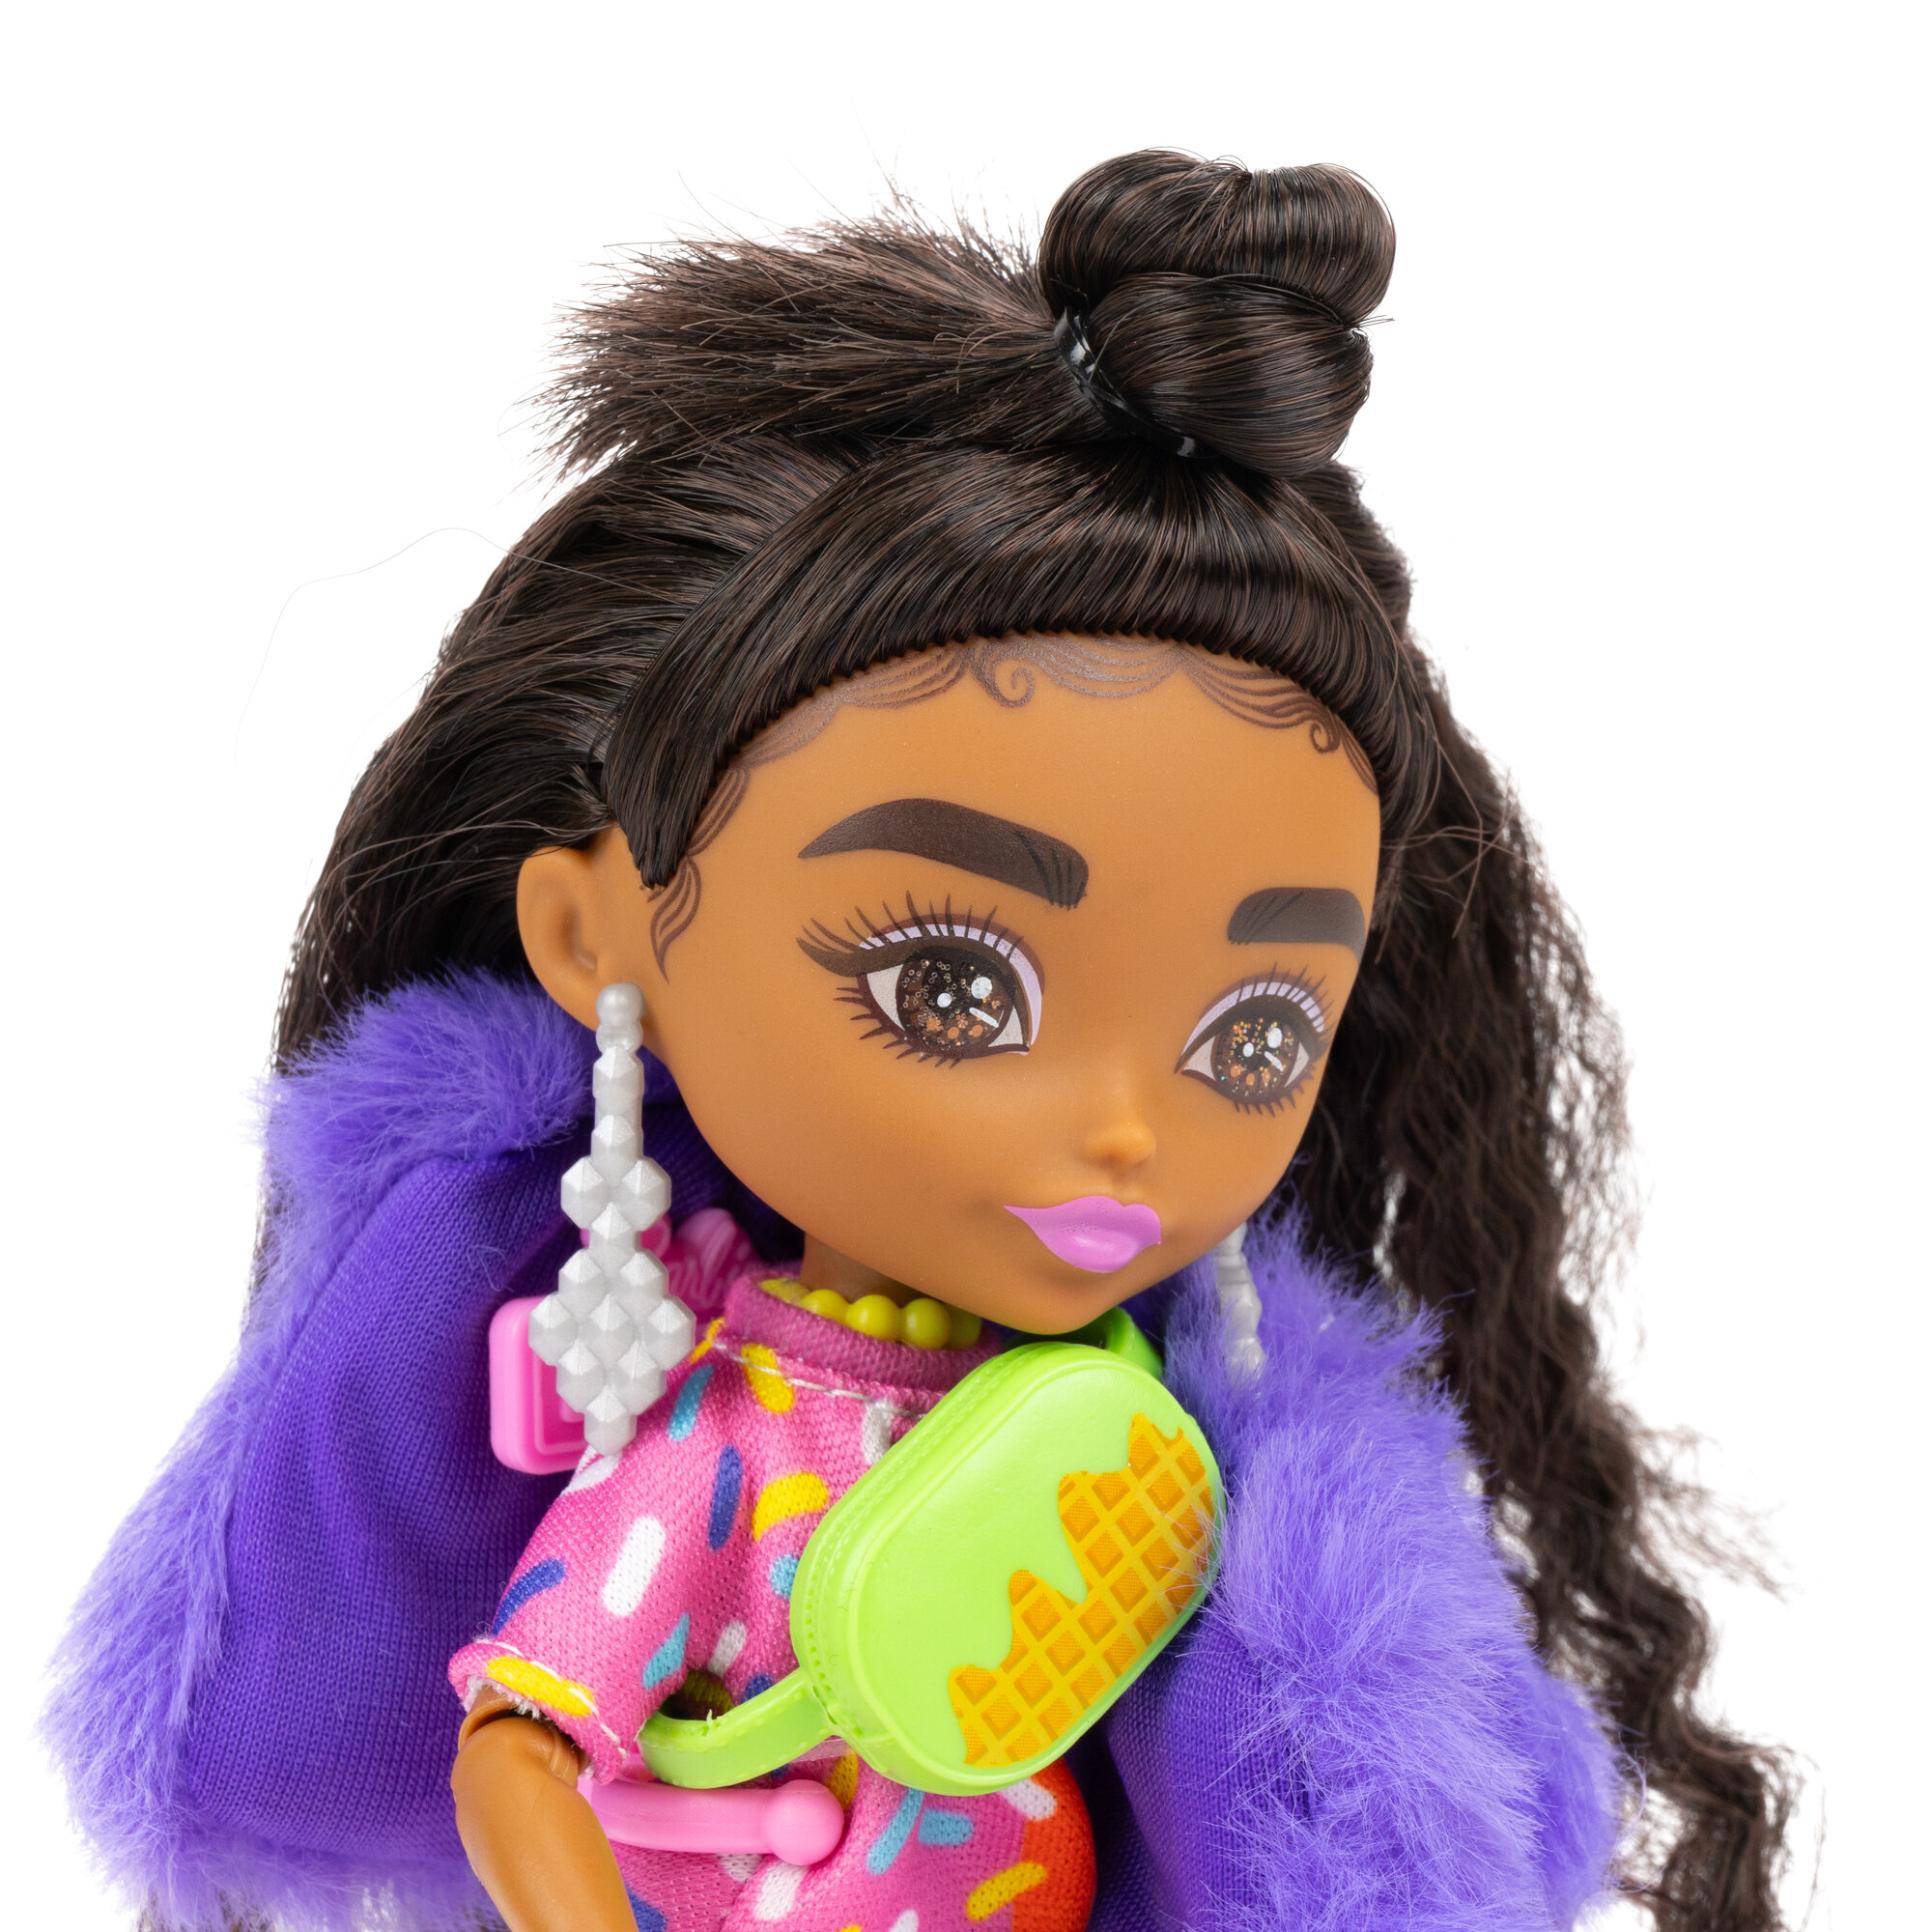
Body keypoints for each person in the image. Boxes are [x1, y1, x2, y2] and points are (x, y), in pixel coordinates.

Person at [47, 151, 1790, 1932]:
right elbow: (520, 1748)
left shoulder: (1171, 1458)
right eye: (955, 990)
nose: (1126, 1127)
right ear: (594, 933)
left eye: (1254, 1033)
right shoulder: (720, 1447)